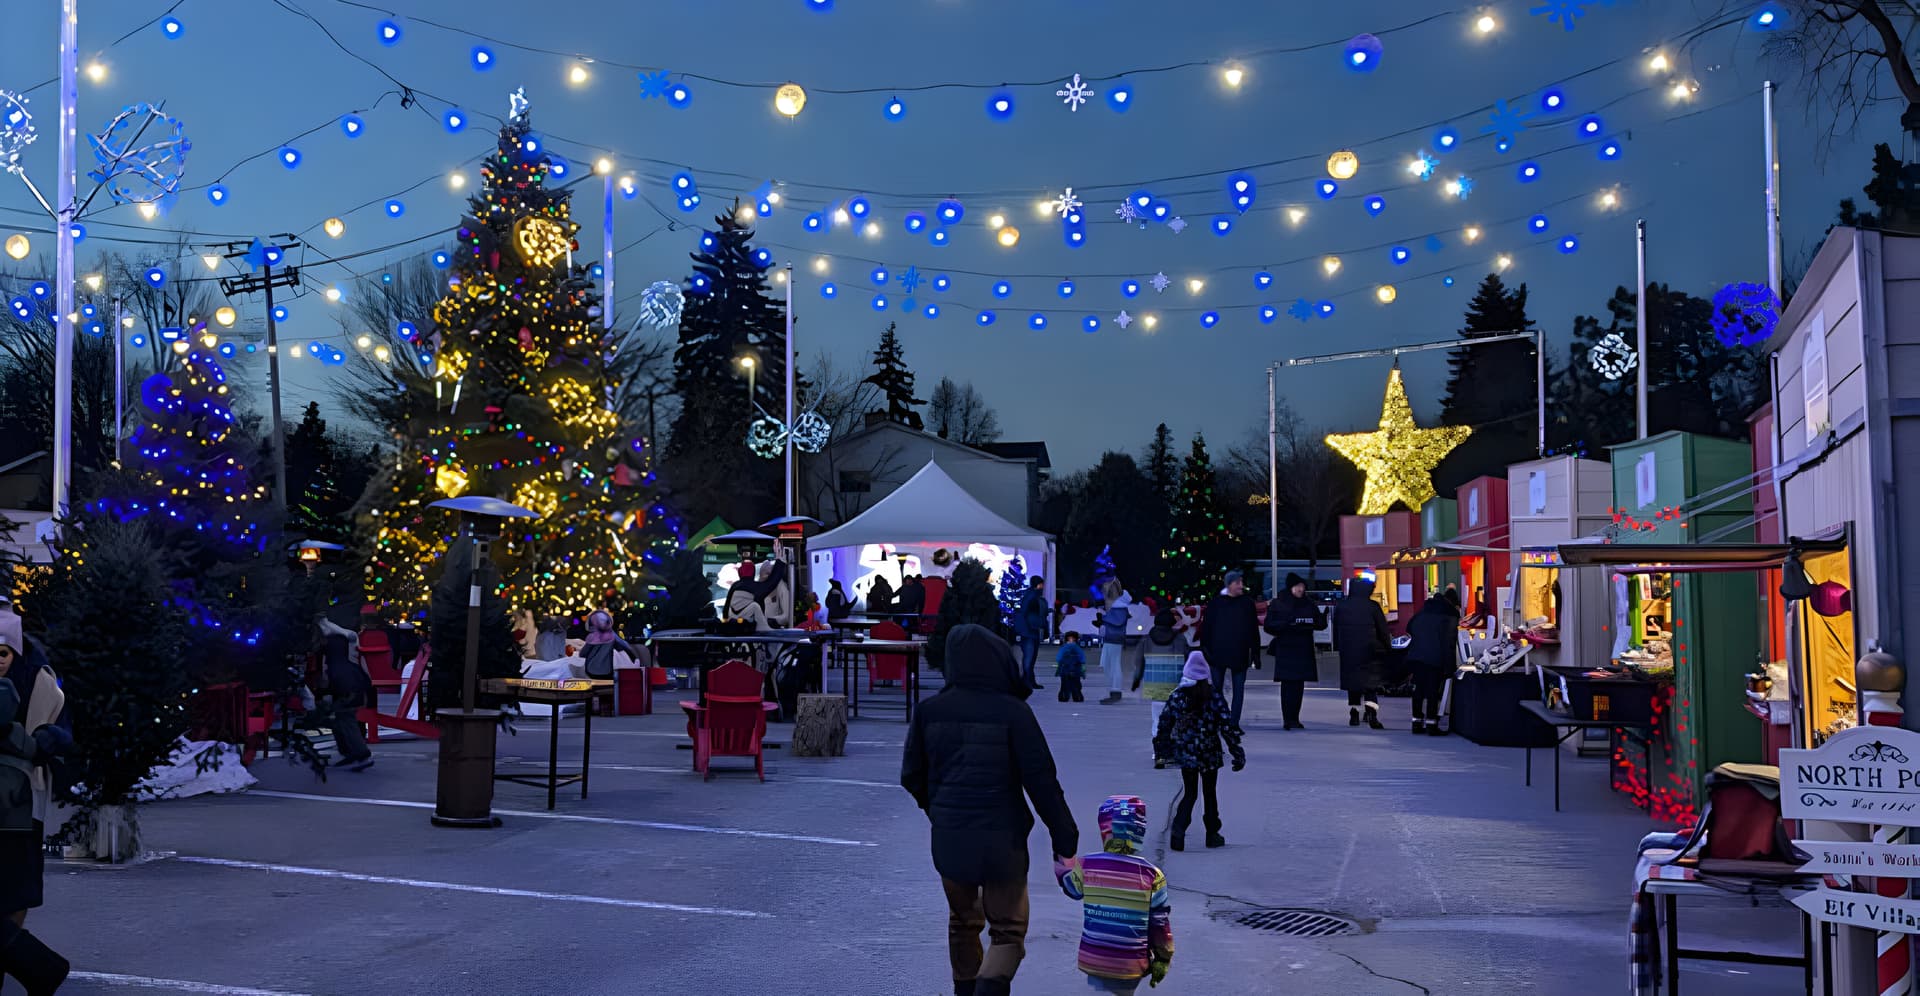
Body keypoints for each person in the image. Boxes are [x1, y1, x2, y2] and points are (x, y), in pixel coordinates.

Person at [902, 624, 1078, 996]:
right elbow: (1042, 781)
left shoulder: (929, 711)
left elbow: (911, 775)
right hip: (1004, 843)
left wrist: (939, 810)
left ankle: (964, 991)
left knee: (963, 921)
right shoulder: (1013, 712)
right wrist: (1065, 839)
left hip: (950, 840)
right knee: (1008, 932)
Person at [0, 611, 72, 994]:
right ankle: (41, 967)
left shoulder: (39, 683)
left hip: (20, 804)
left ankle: (41, 968)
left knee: (14, 894)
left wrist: (42, 741)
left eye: (3, 652)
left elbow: (61, 730)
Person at [1056, 795, 1174, 994]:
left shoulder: (1086, 865)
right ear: (1139, 831)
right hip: (1130, 964)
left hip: (1093, 958)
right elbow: (1160, 923)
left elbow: (1071, 889)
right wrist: (1163, 958)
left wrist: (1061, 861)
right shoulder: (1152, 875)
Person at [1152, 653, 1245, 851]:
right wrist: (1237, 751)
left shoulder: (1178, 696)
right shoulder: (1213, 695)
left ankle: (1178, 829)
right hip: (1209, 751)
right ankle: (1212, 833)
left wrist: (1163, 750)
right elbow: (1226, 725)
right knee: (1209, 793)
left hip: (1186, 752)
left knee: (1190, 792)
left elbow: (1164, 723)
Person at [1197, 570, 1260, 729]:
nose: (1241, 586)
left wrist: (1256, 653)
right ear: (1229, 584)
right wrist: (1205, 649)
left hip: (1240, 653)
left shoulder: (1247, 604)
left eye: (1241, 582)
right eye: (1237, 582)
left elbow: (1253, 630)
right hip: (1218, 654)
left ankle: (1233, 722)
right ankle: (1218, 718)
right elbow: (1206, 628)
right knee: (1216, 690)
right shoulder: (1216, 603)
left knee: (1238, 691)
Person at [1264, 573, 1324, 730]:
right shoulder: (1279, 603)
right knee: (1287, 685)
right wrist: (1287, 624)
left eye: (1302, 587)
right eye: (1297, 586)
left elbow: (1319, 623)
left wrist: (1319, 620)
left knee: (1298, 685)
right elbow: (1269, 625)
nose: (1300, 589)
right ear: (1290, 587)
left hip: (1303, 648)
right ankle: (1287, 719)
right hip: (1286, 647)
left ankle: (1295, 718)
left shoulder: (1308, 604)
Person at [318, 614, 375, 771]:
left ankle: (360, 753)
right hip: (354, 682)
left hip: (347, 685)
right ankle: (351, 752)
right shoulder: (347, 643)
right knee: (342, 718)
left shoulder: (334, 649)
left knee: (345, 718)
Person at [1333, 576, 1391, 730]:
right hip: (1370, 650)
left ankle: (1354, 713)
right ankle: (1372, 714)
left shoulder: (1342, 606)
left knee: (1353, 684)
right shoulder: (1372, 606)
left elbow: (1335, 628)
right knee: (1370, 684)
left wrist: (1339, 646)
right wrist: (1387, 647)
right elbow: (1383, 630)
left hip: (1348, 651)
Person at [1404, 589, 1461, 736]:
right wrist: (1450, 667)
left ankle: (1416, 723)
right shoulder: (1449, 616)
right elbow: (1449, 644)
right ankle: (1431, 724)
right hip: (1434, 658)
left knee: (1418, 689)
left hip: (1416, 656)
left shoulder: (1423, 612)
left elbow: (1409, 627)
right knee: (1432, 692)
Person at [1097, 580, 1132, 705]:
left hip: (1114, 639)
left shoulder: (1119, 607)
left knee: (1113, 666)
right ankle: (1113, 690)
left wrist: (1104, 619)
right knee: (1110, 665)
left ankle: (1115, 691)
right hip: (1112, 638)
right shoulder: (1118, 606)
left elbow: (1118, 621)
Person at [580, 610, 636, 680]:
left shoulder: (592, 637)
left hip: (591, 671)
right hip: (607, 671)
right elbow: (623, 647)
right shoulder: (612, 636)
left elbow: (582, 654)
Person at [1015, 578, 1049, 690]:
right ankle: (1028, 681)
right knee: (1029, 658)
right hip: (1029, 631)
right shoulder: (1032, 597)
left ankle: (1029, 680)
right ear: (1038, 585)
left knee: (1031, 657)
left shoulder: (1031, 596)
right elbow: (1027, 614)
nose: (1043, 587)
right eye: (1041, 585)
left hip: (1030, 631)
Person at [1055, 632, 1086, 703]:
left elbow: (1058, 658)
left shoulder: (1064, 647)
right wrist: (1083, 670)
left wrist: (1058, 669)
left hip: (1065, 670)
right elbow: (1082, 659)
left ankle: (1063, 697)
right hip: (1075, 670)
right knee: (1076, 685)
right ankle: (1077, 697)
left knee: (1064, 685)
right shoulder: (1077, 648)